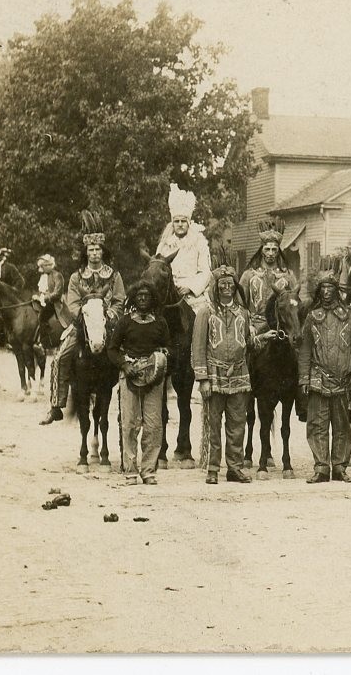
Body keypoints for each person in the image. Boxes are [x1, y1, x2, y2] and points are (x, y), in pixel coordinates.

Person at [41, 215, 127, 424]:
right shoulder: (76, 277)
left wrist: (109, 315)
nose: (95, 253)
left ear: (103, 251)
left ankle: (127, 406)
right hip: (83, 324)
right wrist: (86, 315)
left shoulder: (114, 275)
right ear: (86, 252)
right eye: (91, 250)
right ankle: (57, 404)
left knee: (128, 357)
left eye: (98, 249)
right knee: (61, 357)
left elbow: (119, 299)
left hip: (108, 324)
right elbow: (72, 303)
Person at [298, 270, 351, 483]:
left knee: (342, 425)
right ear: (318, 291)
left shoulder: (350, 315)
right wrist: (303, 379)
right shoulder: (312, 317)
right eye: (322, 288)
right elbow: (304, 350)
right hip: (317, 378)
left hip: (343, 378)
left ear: (336, 291)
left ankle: (340, 467)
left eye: (330, 288)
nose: (326, 292)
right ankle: (321, 468)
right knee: (317, 424)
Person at [194, 265, 269, 484]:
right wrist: (203, 379)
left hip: (239, 375)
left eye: (230, 284)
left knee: (237, 424)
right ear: (215, 287)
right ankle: (213, 469)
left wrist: (263, 338)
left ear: (236, 286)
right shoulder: (205, 313)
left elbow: (248, 343)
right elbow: (198, 348)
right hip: (214, 377)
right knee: (214, 424)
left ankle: (235, 468)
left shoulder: (243, 313)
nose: (227, 288)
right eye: (222, 284)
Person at [108, 280, 171, 485]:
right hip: (130, 375)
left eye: (147, 295)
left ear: (153, 298)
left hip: (154, 378)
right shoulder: (125, 322)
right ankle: (130, 471)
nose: (143, 298)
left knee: (154, 424)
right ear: (133, 298)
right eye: (139, 295)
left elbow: (168, 347)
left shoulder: (161, 322)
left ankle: (149, 470)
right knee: (129, 424)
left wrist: (160, 357)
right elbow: (112, 349)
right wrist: (125, 366)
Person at [156, 182, 212, 311]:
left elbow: (205, 271)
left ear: (188, 223)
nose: (180, 224)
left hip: (192, 295)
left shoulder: (199, 243)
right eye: (176, 221)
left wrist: (190, 287)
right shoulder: (164, 245)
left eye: (183, 221)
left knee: (201, 316)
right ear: (173, 223)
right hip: (168, 293)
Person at [240, 216, 300, 334]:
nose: (271, 253)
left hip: (280, 329)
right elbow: (240, 305)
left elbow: (294, 305)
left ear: (278, 252)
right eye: (267, 249)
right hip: (254, 328)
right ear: (261, 250)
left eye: (274, 249)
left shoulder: (288, 276)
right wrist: (248, 326)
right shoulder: (249, 276)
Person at [33, 254, 67, 351]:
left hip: (54, 303)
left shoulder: (57, 275)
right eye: (41, 266)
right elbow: (42, 290)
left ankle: (42, 343)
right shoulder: (43, 276)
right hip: (43, 301)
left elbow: (57, 293)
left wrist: (45, 298)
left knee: (42, 316)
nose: (42, 269)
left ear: (49, 265)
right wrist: (38, 297)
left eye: (43, 266)